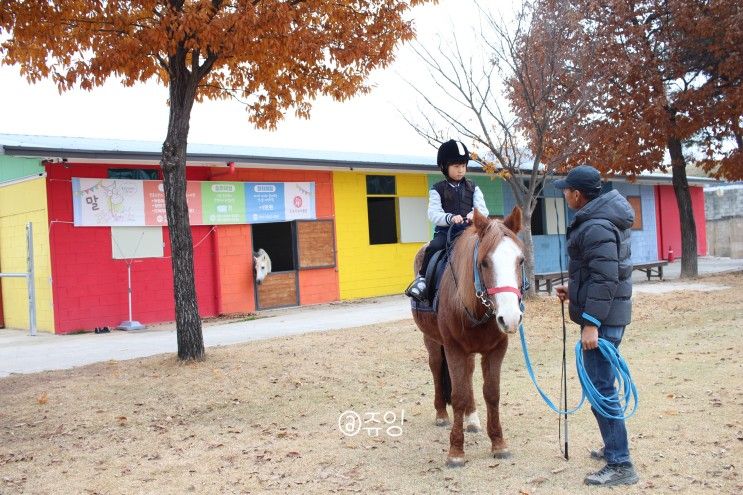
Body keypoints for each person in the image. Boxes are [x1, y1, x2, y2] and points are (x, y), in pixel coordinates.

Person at [553, 165, 639, 486]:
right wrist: (573, 293)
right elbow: (596, 274)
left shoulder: (597, 226)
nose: (564, 195)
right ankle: (613, 448)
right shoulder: (597, 221)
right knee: (599, 385)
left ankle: (621, 464)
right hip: (604, 315)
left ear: (577, 194)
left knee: (601, 389)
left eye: (566, 191)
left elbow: (606, 279)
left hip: (602, 320)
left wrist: (591, 323)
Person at [405, 139, 489, 301]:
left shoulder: (474, 187)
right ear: (445, 167)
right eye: (456, 166)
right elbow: (433, 214)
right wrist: (449, 218)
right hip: (446, 232)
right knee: (433, 247)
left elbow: (483, 209)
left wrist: (474, 214)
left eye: (463, 166)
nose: (460, 170)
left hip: (469, 231)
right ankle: (422, 280)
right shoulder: (437, 189)